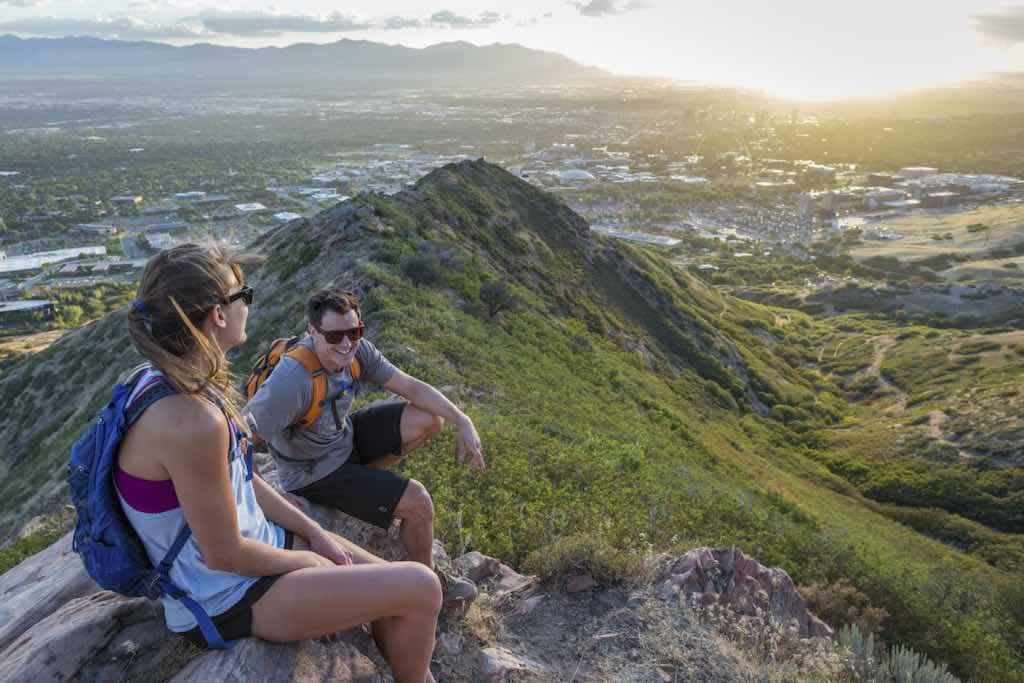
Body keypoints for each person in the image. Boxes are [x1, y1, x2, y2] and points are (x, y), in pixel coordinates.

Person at [119, 244, 440, 682]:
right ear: (218, 314)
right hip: (226, 597)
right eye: (242, 296)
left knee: (399, 583)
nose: (247, 306)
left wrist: (313, 532)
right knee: (423, 588)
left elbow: (240, 479)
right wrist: (306, 561)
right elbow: (224, 554)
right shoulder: (190, 419)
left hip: (260, 550)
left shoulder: (171, 380)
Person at [244, 287, 485, 603]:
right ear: (312, 332)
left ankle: (364, 486)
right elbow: (237, 438)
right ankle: (427, 588)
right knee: (418, 502)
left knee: (429, 418)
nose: (346, 344)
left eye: (354, 332)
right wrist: (269, 498)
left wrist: (461, 418)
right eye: (334, 337)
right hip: (314, 473)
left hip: (344, 441)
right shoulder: (293, 379)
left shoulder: (356, 351)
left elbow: (410, 386)